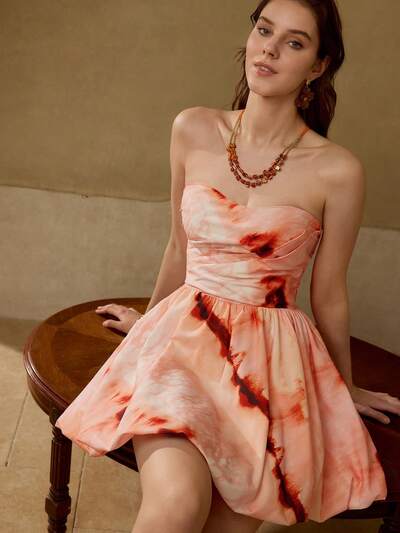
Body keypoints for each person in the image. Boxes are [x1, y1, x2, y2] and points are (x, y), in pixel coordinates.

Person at [56, 0, 400, 531]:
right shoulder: (193, 128)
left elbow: (329, 293)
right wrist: (149, 326)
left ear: (318, 66)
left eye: (294, 42)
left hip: (270, 364)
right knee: (176, 505)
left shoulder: (338, 171)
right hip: (184, 343)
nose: (270, 49)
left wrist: (343, 387)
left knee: (228, 525)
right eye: (264, 30)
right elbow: (179, 247)